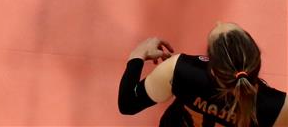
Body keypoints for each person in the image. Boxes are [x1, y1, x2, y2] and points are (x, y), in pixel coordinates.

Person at [118, 24, 287, 126]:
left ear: (212, 68)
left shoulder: (181, 70)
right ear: (256, 61)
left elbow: (128, 104)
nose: (218, 22)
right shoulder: (278, 106)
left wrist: (137, 56)